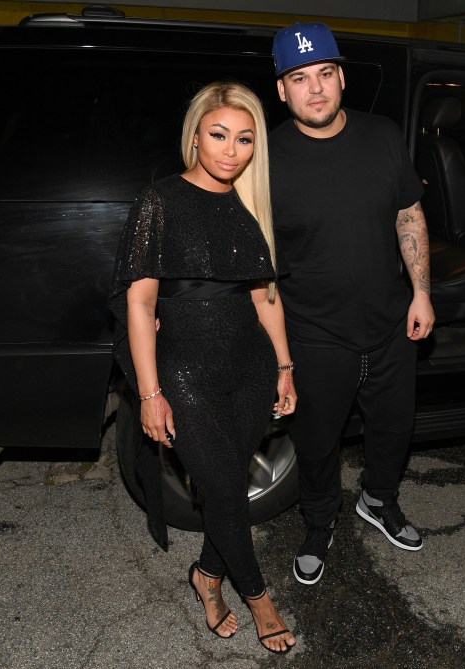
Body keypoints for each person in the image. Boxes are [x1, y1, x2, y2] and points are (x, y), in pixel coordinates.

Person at [109, 81, 296, 653]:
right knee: (222, 486)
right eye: (219, 135)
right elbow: (140, 303)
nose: (231, 151)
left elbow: (265, 297)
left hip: (249, 366)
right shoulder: (160, 201)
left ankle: (207, 574)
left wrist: (284, 366)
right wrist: (149, 393)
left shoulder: (251, 204)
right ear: (195, 136)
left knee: (226, 487)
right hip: (185, 371)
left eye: (245, 139)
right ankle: (259, 597)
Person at [269, 23, 435, 586]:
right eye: (299, 78)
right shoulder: (265, 157)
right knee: (317, 443)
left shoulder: (382, 135)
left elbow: (408, 213)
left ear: (341, 77)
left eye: (324, 73)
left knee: (394, 428)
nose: (315, 89)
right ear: (282, 90)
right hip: (313, 332)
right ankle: (319, 522)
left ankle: (379, 499)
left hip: (391, 323)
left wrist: (421, 293)